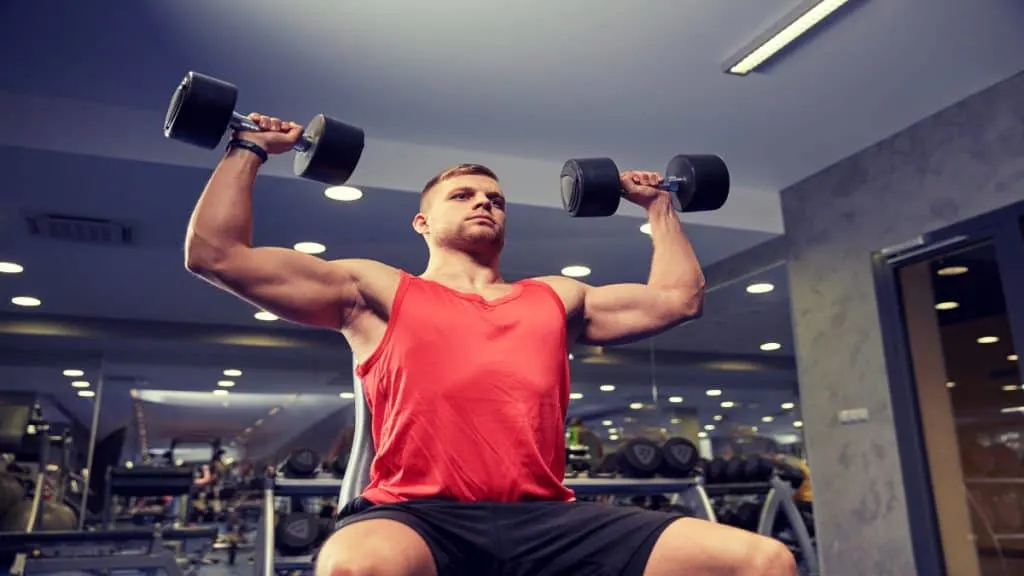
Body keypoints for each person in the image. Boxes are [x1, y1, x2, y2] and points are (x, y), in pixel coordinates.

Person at [184, 114, 796, 576]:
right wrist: (249, 146)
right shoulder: (375, 290)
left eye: (496, 200)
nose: (485, 202)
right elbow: (216, 255)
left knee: (763, 561)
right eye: (464, 195)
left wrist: (661, 207)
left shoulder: (555, 298)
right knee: (354, 564)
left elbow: (678, 299)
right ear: (422, 223)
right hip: (421, 518)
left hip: (548, 519)